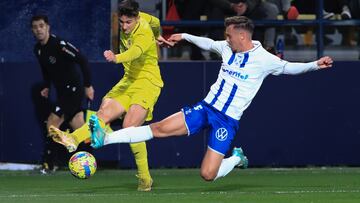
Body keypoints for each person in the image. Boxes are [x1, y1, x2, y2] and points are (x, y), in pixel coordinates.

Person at [87, 16, 333, 182]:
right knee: (158, 128)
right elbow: (208, 43)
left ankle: (236, 157)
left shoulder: (264, 59)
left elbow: (290, 67)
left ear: (242, 37)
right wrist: (184, 35)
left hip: (226, 121)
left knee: (207, 175)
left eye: (228, 35)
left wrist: (315, 65)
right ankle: (104, 138)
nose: (225, 39)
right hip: (206, 108)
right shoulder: (228, 48)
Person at [48, 0, 172, 191]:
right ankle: (72, 139)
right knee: (103, 114)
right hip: (129, 80)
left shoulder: (143, 31)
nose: (124, 26)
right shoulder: (144, 20)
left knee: (130, 126)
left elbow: (134, 52)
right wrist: (160, 36)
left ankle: (145, 178)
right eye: (121, 22)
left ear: (137, 18)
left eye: (128, 22)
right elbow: (156, 21)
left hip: (147, 83)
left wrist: (116, 57)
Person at [31, 15, 95, 173]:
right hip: (62, 92)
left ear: (48, 27)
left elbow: (82, 60)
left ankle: (50, 163)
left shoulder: (59, 45)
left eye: (41, 26)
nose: (38, 29)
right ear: (32, 30)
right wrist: (47, 86)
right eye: (35, 27)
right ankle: (89, 159)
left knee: (52, 124)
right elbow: (46, 70)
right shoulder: (38, 49)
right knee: (78, 126)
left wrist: (88, 86)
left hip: (73, 89)